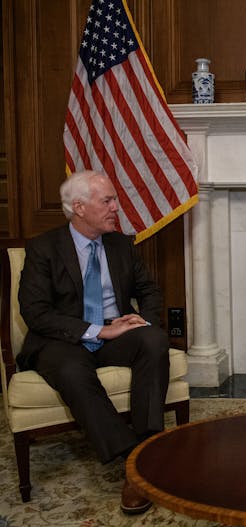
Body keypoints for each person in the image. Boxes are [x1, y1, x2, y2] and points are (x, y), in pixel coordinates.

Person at [17, 170, 169, 514]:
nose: (116, 206)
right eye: (108, 201)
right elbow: (36, 312)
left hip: (117, 330)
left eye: (114, 199)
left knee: (154, 340)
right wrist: (97, 331)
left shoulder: (121, 244)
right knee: (71, 369)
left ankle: (147, 443)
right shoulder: (43, 248)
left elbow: (149, 290)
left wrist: (141, 319)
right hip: (62, 339)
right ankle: (132, 461)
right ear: (79, 208)